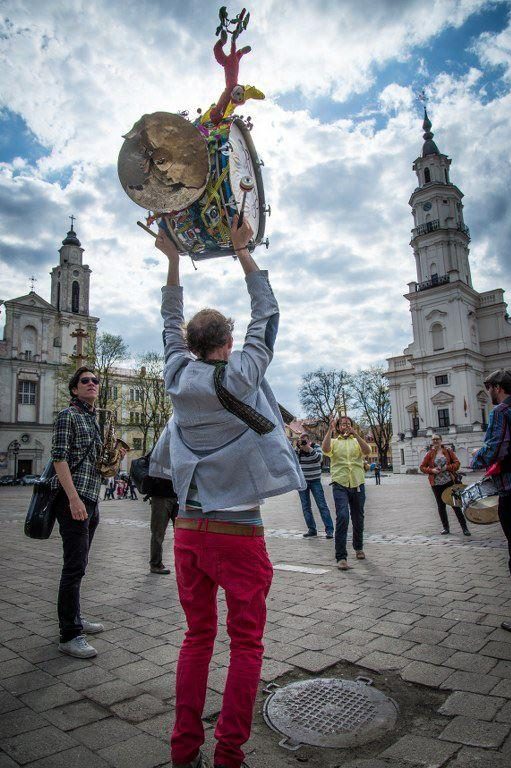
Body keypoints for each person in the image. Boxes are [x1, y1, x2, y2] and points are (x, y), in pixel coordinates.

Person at [152, 215, 305, 768]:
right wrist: (243, 252)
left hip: (189, 531)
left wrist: (172, 258)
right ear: (229, 342)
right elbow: (269, 314)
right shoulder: (243, 372)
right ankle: (229, 754)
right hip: (239, 531)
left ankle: (182, 750)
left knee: (197, 639)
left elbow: (169, 321)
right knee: (246, 646)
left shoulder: (175, 376)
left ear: (191, 346)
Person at [50, 367, 125, 658]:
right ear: (74, 389)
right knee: (73, 567)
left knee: (79, 565)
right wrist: (73, 499)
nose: (92, 384)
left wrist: (109, 460)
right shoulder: (68, 415)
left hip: (91, 498)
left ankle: (75, 619)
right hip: (75, 500)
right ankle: (69, 635)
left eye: (95, 380)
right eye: (85, 381)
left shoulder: (92, 418)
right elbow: (59, 459)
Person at [471, 369, 511, 633]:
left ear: (497, 387)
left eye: (488, 388)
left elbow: (496, 448)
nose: (488, 394)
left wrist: (476, 456)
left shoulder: (500, 412)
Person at [322, 415, 371, 570]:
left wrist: (356, 434)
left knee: (358, 517)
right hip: (340, 483)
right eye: (342, 424)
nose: (345, 426)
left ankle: (358, 547)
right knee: (343, 516)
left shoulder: (356, 441)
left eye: (348, 424)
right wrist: (329, 431)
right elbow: (325, 449)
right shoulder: (335, 442)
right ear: (338, 427)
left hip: (357, 482)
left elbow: (367, 451)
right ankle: (341, 557)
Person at [420, 435, 470, 537]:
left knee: (455, 505)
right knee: (441, 506)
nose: (435, 441)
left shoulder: (448, 451)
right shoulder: (429, 453)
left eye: (437, 439)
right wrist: (432, 470)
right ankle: (445, 528)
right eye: (433, 439)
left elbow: (457, 464)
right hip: (436, 483)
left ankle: (465, 528)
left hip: (450, 482)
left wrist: (447, 467)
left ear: (441, 440)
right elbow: (422, 467)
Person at [147, 422, 179, 575]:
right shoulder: (160, 447)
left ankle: (182, 565)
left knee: (181, 533)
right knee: (158, 532)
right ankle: (155, 564)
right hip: (161, 495)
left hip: (178, 496)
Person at [296, 432, 333, 539]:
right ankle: (312, 529)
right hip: (303, 482)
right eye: (301, 439)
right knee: (306, 507)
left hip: (315, 480)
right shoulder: (298, 449)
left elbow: (319, 459)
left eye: (305, 440)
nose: (303, 441)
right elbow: (293, 462)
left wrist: (309, 448)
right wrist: (299, 450)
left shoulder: (316, 447)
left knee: (322, 505)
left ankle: (329, 530)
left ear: (309, 440)